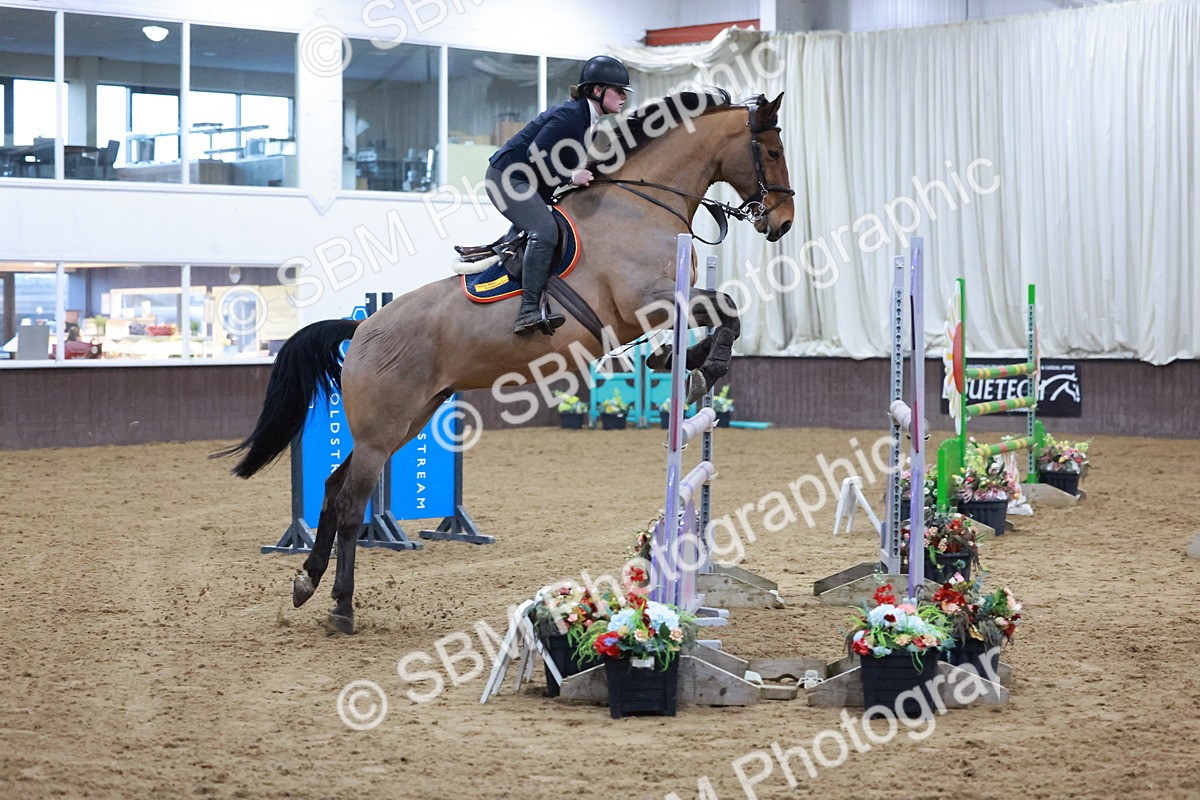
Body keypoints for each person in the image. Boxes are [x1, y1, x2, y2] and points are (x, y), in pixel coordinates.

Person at [485, 55, 632, 336]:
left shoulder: (588, 119)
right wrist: (570, 176)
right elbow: (536, 153)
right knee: (545, 230)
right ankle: (528, 310)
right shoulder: (570, 115)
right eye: (619, 90)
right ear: (597, 91)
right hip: (506, 178)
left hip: (529, 183)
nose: (624, 97)